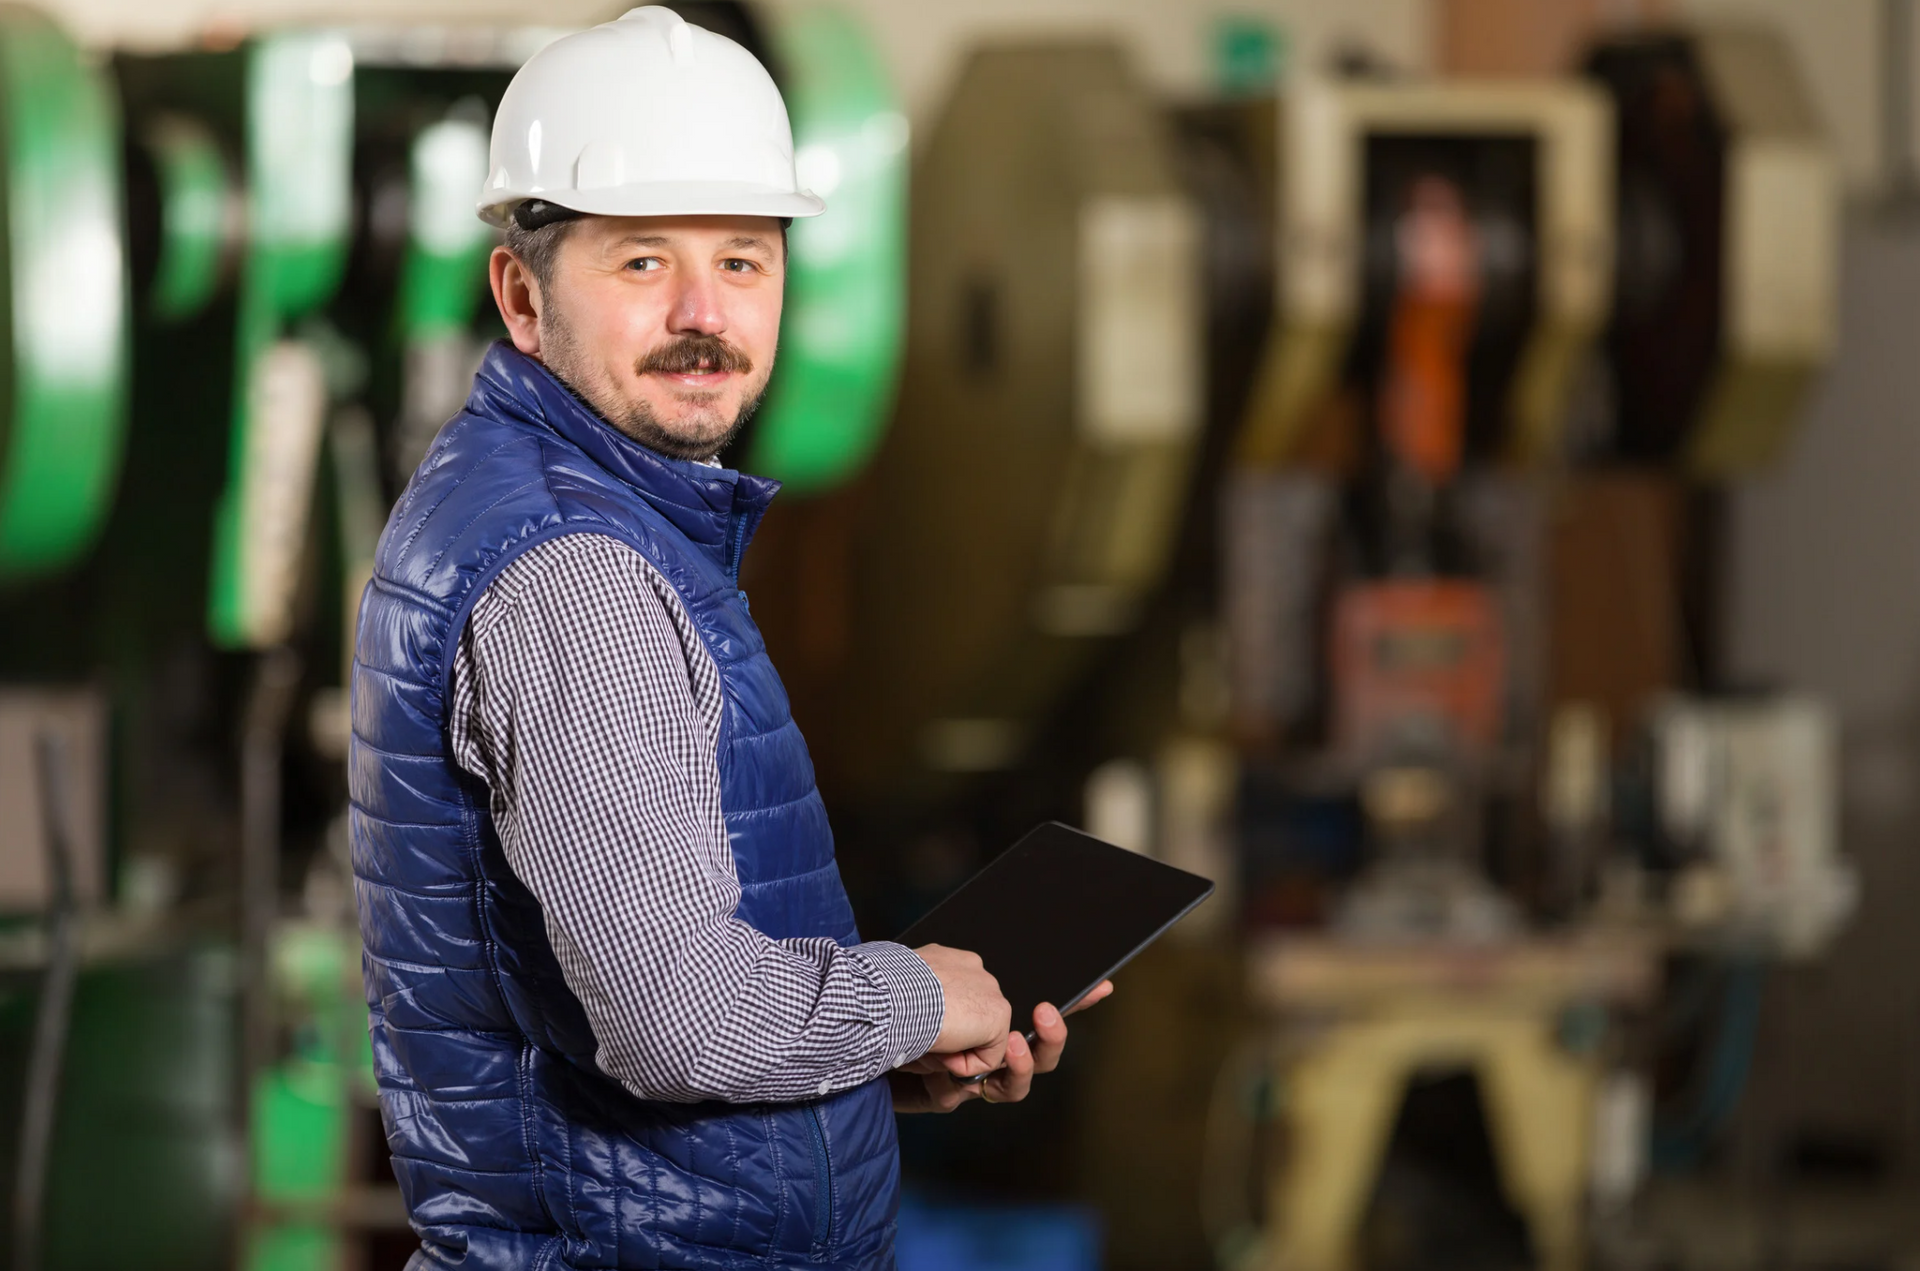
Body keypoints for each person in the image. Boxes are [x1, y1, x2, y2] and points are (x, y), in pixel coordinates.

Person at [348, 9, 1109, 1268]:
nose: (705, 313)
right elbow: (677, 1019)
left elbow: (633, 1026)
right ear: (522, 295)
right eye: (644, 262)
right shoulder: (578, 575)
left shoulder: (589, 511)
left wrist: (879, 1066)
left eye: (745, 261)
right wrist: (922, 994)